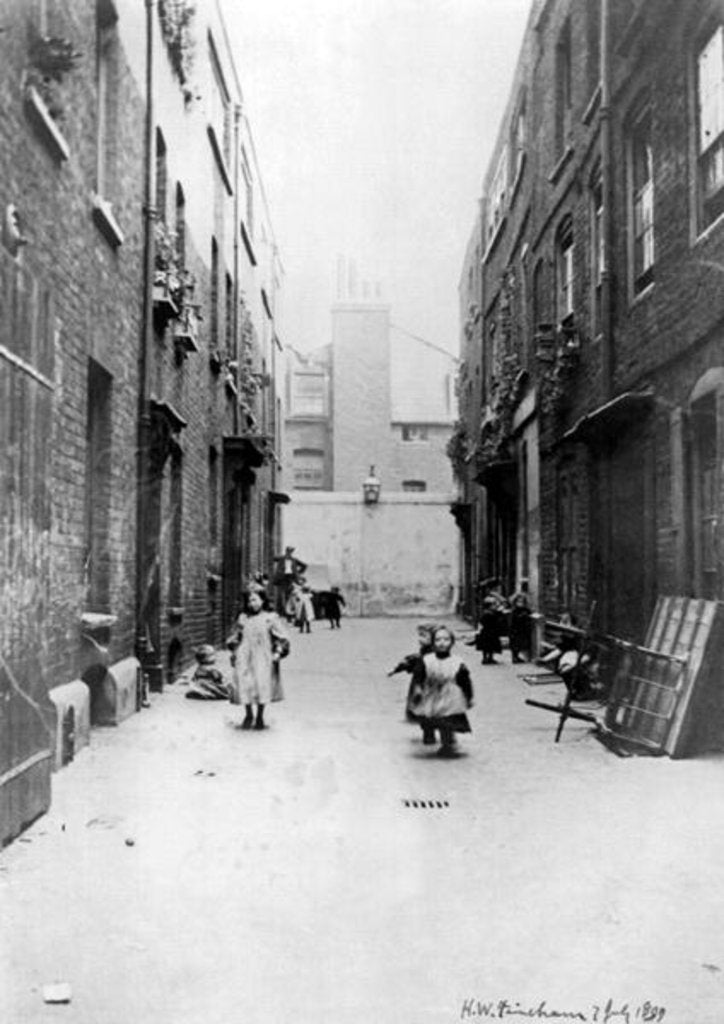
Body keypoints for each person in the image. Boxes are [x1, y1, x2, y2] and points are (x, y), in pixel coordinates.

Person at [229, 590, 290, 729]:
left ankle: (260, 715)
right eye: (250, 601)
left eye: (255, 600)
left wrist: (278, 652)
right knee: (245, 684)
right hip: (245, 655)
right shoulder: (243, 618)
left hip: (263, 656)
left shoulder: (270, 618)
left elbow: (282, 637)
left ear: (263, 601)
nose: (252, 604)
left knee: (261, 684)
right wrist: (234, 650)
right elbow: (235, 636)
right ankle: (249, 713)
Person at [409, 625, 474, 757]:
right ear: (433, 643)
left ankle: (447, 743)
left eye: (446, 639)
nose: (442, 643)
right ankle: (431, 734)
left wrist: (468, 696)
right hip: (432, 694)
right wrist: (417, 689)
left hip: (451, 696)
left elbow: (464, 680)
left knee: (448, 720)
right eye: (438, 640)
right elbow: (419, 676)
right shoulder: (427, 660)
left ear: (452, 642)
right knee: (432, 718)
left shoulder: (457, 662)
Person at [388, 622, 436, 742]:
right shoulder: (425, 651)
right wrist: (400, 667)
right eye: (420, 635)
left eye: (424, 636)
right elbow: (416, 661)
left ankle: (431, 734)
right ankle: (430, 733)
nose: (420, 639)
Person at [273, 545, 307, 615]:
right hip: (283, 579)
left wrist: (298, 573)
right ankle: (284, 612)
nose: (289, 553)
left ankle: (291, 612)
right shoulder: (281, 558)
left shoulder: (294, 560)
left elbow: (305, 566)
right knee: (282, 596)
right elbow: (273, 558)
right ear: (286, 551)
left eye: (290, 551)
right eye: (288, 551)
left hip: (291, 579)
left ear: (292, 552)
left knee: (291, 596)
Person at [509, 589, 533, 664]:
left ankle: (517, 656)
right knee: (515, 644)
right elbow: (513, 620)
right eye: (518, 602)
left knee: (520, 644)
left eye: (522, 602)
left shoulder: (526, 610)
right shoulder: (514, 611)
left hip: (523, 630)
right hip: (516, 630)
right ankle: (515, 657)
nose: (520, 603)